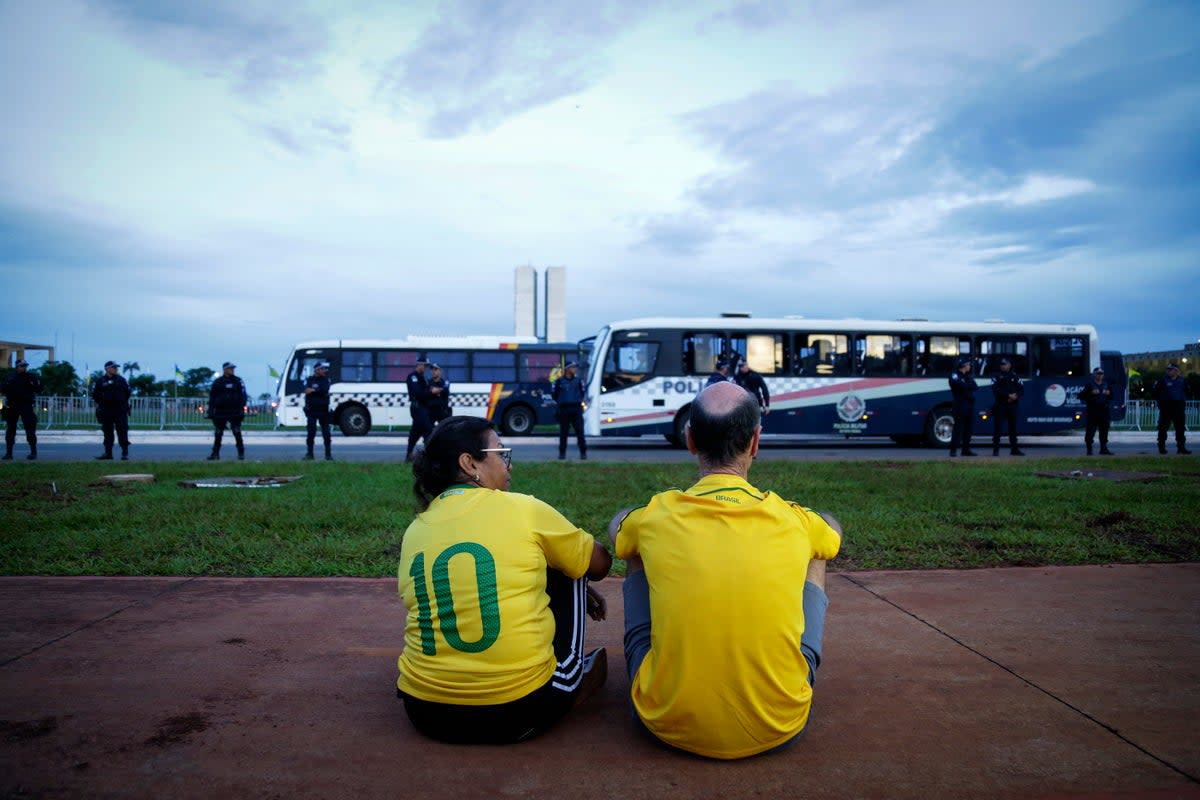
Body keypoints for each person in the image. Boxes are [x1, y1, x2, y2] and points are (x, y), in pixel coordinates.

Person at [611, 382, 842, 760]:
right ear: (755, 442)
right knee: (817, 552)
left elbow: (617, 530)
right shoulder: (793, 518)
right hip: (779, 724)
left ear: (690, 440)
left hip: (664, 724)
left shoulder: (655, 514)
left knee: (633, 547)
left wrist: (625, 522)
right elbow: (833, 535)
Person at [396, 416, 611, 744]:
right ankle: (577, 672)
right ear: (470, 464)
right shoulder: (522, 509)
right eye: (501, 454)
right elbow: (599, 564)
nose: (509, 466)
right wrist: (573, 572)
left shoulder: (416, 529)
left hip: (424, 711)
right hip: (517, 712)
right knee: (570, 562)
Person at [2, 359, 42, 461]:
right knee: (10, 430)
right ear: (17, 367)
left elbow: (39, 388)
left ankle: (33, 452)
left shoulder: (31, 377)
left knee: (30, 429)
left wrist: (35, 383)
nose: (24, 368)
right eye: (22, 366)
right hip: (12, 406)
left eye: (25, 366)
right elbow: (3, 389)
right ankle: (9, 453)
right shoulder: (10, 377)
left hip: (26, 405)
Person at [206, 362, 248, 461]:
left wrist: (241, 408)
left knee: (236, 431)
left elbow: (243, 395)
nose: (232, 370)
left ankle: (241, 453)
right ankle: (215, 454)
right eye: (230, 368)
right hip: (221, 411)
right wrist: (211, 410)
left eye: (233, 368)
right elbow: (212, 397)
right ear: (225, 370)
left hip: (234, 410)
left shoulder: (238, 381)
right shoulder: (218, 382)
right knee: (218, 433)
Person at [92, 360, 132, 461]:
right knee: (107, 432)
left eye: (116, 368)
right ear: (107, 369)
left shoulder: (121, 380)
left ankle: (125, 453)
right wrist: (103, 403)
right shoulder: (100, 381)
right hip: (106, 410)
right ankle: (108, 453)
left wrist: (121, 403)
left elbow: (127, 393)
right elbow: (95, 395)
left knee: (122, 431)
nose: (116, 369)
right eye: (114, 367)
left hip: (120, 410)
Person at [551, 361, 587, 460]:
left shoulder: (579, 381)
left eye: (575, 367)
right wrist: (563, 401)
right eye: (573, 367)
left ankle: (583, 453)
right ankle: (562, 454)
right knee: (563, 433)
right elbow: (554, 395)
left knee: (580, 432)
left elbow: (582, 393)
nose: (575, 369)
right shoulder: (559, 381)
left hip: (576, 409)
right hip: (564, 410)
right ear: (567, 369)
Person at [1153, 363, 1191, 455]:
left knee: (1180, 428)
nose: (1168, 371)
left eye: (1170, 369)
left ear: (1176, 371)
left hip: (1178, 407)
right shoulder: (1162, 380)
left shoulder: (1183, 380)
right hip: (1166, 407)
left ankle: (1181, 447)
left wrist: (1183, 401)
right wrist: (1160, 403)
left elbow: (1188, 391)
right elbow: (1155, 392)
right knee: (1163, 428)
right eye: (1167, 369)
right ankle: (1161, 447)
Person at [989, 357, 1024, 456]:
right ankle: (995, 450)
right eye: (1001, 364)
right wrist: (1008, 396)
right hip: (1001, 405)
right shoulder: (996, 376)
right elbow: (995, 389)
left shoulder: (1015, 376)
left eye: (1005, 364)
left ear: (1009, 365)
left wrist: (1015, 396)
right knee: (998, 429)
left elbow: (1021, 389)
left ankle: (1014, 449)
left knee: (1013, 429)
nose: (1003, 366)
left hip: (1013, 406)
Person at [1079, 367, 1114, 456]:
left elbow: (1112, 396)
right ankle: (1089, 449)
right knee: (1090, 430)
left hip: (1104, 410)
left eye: (1101, 373)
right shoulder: (1090, 385)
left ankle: (1103, 448)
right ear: (1094, 375)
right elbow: (1080, 396)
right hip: (1093, 410)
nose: (1100, 375)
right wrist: (1091, 393)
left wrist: (1109, 394)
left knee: (1104, 430)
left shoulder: (1106, 384)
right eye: (1098, 373)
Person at [405, 354, 433, 462]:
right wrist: (430, 392)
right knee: (428, 430)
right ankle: (428, 456)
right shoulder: (413, 377)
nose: (425, 368)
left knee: (416, 431)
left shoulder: (423, 378)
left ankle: (409, 454)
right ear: (419, 365)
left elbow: (425, 392)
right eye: (425, 366)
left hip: (424, 407)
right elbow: (418, 393)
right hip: (417, 407)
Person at [948, 355, 978, 457]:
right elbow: (959, 385)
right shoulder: (954, 375)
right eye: (968, 364)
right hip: (960, 405)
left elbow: (975, 386)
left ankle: (966, 450)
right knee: (958, 429)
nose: (970, 366)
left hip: (969, 405)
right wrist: (966, 385)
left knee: (968, 429)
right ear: (964, 365)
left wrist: (966, 385)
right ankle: (953, 450)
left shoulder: (967, 377)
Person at [303, 361, 333, 461]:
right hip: (311, 410)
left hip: (323, 410)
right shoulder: (310, 379)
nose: (324, 371)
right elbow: (306, 390)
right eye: (322, 369)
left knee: (326, 433)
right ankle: (310, 454)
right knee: (311, 433)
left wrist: (314, 391)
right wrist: (314, 391)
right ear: (317, 370)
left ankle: (328, 455)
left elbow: (325, 390)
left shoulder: (325, 380)